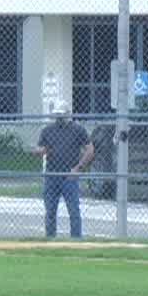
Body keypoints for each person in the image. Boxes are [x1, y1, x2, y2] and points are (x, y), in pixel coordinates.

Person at [33, 101, 94, 240]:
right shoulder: (47, 130)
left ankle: (76, 239)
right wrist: (40, 151)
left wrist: (78, 168)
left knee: (73, 211)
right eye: (57, 116)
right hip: (52, 175)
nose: (59, 119)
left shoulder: (77, 129)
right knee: (50, 211)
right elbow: (40, 148)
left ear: (67, 115)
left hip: (69, 176)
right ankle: (50, 238)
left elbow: (89, 149)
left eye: (61, 116)